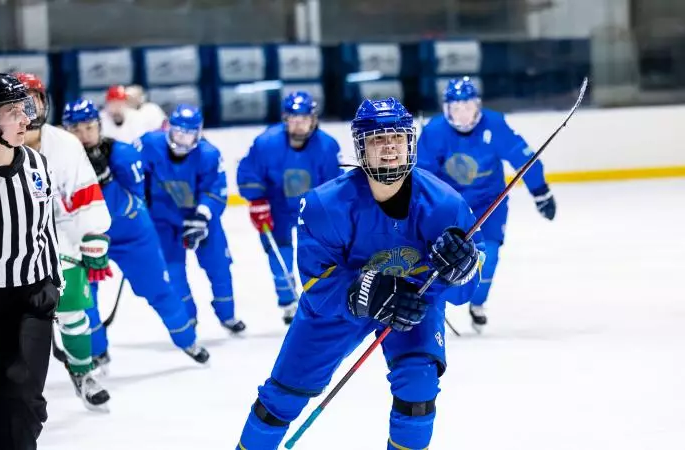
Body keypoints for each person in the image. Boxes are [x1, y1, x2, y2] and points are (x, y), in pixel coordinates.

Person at [236, 97, 484, 450]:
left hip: (413, 304)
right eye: (377, 140)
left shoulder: (445, 204)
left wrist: (462, 268)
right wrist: (367, 291)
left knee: (418, 389)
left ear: (410, 144)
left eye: (396, 138)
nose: (389, 149)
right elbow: (316, 285)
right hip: (340, 309)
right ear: (360, 148)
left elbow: (463, 292)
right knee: (280, 400)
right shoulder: (324, 205)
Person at [62, 99, 210, 368]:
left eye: (88, 128)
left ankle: (187, 339)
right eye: (75, 129)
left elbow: (135, 204)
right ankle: (97, 352)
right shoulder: (58, 161)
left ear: (99, 125)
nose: (83, 136)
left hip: (132, 237)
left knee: (158, 290)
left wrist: (106, 183)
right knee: (83, 300)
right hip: (81, 240)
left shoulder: (124, 155)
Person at [417, 76, 557, 332]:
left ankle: (478, 303)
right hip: (451, 208)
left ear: (478, 106)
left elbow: (522, 155)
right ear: (446, 109)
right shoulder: (434, 132)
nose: (463, 115)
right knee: (438, 254)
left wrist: (541, 191)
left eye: (468, 107)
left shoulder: (495, 124)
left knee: (488, 255)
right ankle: (434, 300)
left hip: (488, 205)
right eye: (456, 108)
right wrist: (421, 211)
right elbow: (422, 176)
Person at [0, 73, 64, 450]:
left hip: (28, 295)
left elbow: (46, 228)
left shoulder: (38, 166)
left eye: (26, 109)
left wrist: (52, 283)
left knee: (22, 402)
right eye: (14, 111)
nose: (27, 118)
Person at [14, 72, 112, 410]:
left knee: (72, 309)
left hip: (59, 235)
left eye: (33, 100)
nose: (27, 109)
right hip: (6, 240)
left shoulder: (65, 144)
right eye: (18, 103)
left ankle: (83, 371)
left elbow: (86, 195)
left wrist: (94, 232)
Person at [137, 104, 245, 333]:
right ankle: (189, 318)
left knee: (219, 267)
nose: (182, 138)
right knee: (173, 271)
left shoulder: (209, 154)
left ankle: (227, 315)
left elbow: (216, 190)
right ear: (169, 128)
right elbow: (133, 171)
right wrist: (138, 197)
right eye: (178, 131)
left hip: (201, 221)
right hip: (164, 220)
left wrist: (202, 215)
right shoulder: (149, 144)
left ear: (198, 132)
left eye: (188, 133)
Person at [237, 91, 341, 324]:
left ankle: (321, 297)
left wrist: (332, 211)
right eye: (293, 119)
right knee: (279, 254)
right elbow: (249, 171)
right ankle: (288, 302)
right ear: (285, 119)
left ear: (313, 119)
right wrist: (256, 201)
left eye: (303, 119)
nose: (298, 125)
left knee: (318, 253)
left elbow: (335, 183)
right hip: (277, 206)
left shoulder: (327, 146)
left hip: (312, 208)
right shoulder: (266, 142)